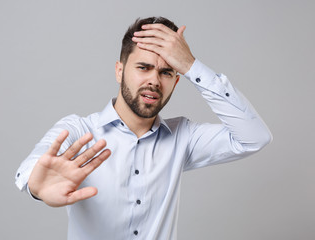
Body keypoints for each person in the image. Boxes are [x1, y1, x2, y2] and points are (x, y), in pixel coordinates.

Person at [15, 16, 272, 240]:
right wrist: (38, 188)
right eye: (143, 67)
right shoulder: (80, 130)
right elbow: (30, 170)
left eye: (166, 72)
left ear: (176, 80)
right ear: (119, 71)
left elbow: (254, 137)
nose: (154, 80)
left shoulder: (183, 137)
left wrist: (192, 66)